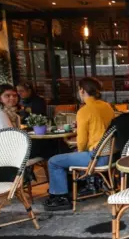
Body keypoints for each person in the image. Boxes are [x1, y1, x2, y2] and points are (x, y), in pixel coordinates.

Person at [44, 77, 115, 211]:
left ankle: (60, 197)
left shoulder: (84, 110)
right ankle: (84, 185)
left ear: (82, 90)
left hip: (95, 157)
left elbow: (81, 142)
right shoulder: (107, 106)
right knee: (65, 157)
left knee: (54, 161)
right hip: (110, 154)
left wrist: (76, 147)